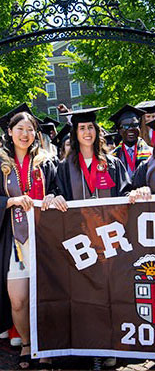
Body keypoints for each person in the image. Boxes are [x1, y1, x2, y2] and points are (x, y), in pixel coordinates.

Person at [0, 109, 68, 369]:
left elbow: (57, 191)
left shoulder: (46, 163)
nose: (25, 134)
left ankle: (45, 344)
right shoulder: (1, 165)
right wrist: (11, 201)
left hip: (43, 240)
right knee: (18, 299)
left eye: (30, 130)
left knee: (45, 296)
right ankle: (27, 343)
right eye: (20, 129)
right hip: (13, 242)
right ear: (9, 132)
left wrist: (54, 196)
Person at [55, 108, 131, 200]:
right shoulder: (65, 167)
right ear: (76, 133)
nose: (87, 132)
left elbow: (126, 194)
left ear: (96, 130)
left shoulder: (113, 163)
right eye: (82, 128)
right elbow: (59, 194)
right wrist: (56, 197)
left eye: (90, 127)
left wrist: (136, 193)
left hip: (108, 214)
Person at [109, 105, 152, 178]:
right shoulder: (112, 157)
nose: (131, 129)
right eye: (126, 126)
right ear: (119, 131)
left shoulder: (152, 153)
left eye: (135, 125)